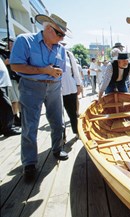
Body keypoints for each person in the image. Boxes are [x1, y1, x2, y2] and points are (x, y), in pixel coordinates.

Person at [10, 13, 70, 181]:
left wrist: (54, 73)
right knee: (30, 125)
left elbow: (61, 70)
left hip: (54, 87)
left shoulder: (61, 48)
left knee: (58, 121)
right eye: (60, 34)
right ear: (48, 29)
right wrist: (44, 70)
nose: (62, 37)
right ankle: (29, 163)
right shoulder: (25, 40)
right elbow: (15, 65)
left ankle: (57, 149)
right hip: (31, 86)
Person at [61, 43, 82, 138]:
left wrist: (78, 84)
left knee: (73, 113)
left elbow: (75, 71)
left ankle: (76, 132)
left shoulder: (68, 54)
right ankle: (61, 137)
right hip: (55, 90)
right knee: (57, 117)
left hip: (70, 87)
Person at [1, 37, 21, 126]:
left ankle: (20, 117)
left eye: (11, 43)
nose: (9, 45)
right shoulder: (3, 54)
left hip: (17, 79)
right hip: (9, 79)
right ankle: (14, 118)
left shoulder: (14, 53)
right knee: (14, 100)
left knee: (20, 100)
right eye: (8, 43)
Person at [0, 58, 21, 137]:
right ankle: (8, 129)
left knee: (3, 107)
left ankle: (5, 127)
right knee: (6, 106)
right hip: (0, 84)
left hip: (3, 82)